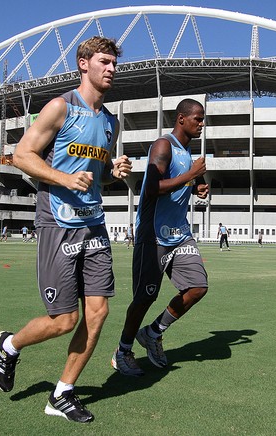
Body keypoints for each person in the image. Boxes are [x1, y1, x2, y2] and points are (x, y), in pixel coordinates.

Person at [0, 36, 131, 423]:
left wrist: (113, 174)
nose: (111, 69)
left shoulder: (109, 121)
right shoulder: (60, 107)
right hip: (57, 222)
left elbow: (96, 177)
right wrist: (62, 179)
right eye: (104, 61)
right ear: (83, 64)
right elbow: (21, 155)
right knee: (64, 320)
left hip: (94, 223)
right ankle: (9, 345)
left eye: (114, 63)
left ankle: (63, 393)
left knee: (98, 312)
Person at [112, 98, 209, 377]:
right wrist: (191, 175)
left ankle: (153, 332)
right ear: (181, 119)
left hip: (180, 234)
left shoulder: (187, 152)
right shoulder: (163, 145)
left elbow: (179, 183)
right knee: (144, 298)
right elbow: (153, 187)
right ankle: (122, 351)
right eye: (197, 119)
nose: (201, 124)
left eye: (203, 120)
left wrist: (195, 187)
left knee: (198, 287)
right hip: (153, 234)